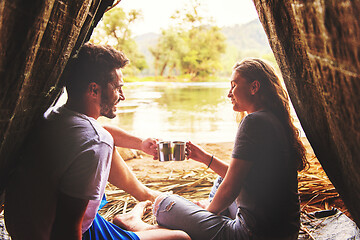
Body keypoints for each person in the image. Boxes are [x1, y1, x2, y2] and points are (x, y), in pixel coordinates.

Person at [4, 43, 189, 240]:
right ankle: (135, 224)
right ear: (94, 90)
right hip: (53, 233)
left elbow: (101, 134)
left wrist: (141, 144)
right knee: (181, 238)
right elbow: (66, 230)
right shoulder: (96, 142)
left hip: (25, 223)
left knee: (104, 143)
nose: (123, 96)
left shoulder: (57, 115)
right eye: (118, 88)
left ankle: (141, 197)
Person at [115, 58, 309, 240]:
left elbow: (231, 189)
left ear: (254, 87)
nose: (229, 93)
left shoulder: (253, 121)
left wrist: (205, 214)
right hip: (285, 232)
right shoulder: (273, 119)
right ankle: (206, 223)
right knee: (221, 178)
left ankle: (137, 226)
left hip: (251, 235)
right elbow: (239, 177)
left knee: (163, 204)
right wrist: (203, 157)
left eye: (234, 85)